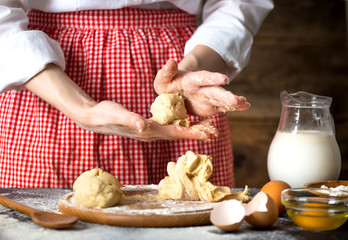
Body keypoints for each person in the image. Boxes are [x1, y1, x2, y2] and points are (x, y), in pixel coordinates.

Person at [0, 0, 273, 188]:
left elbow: (239, 4)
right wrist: (80, 108)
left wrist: (193, 67)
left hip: (178, 65)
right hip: (48, 78)